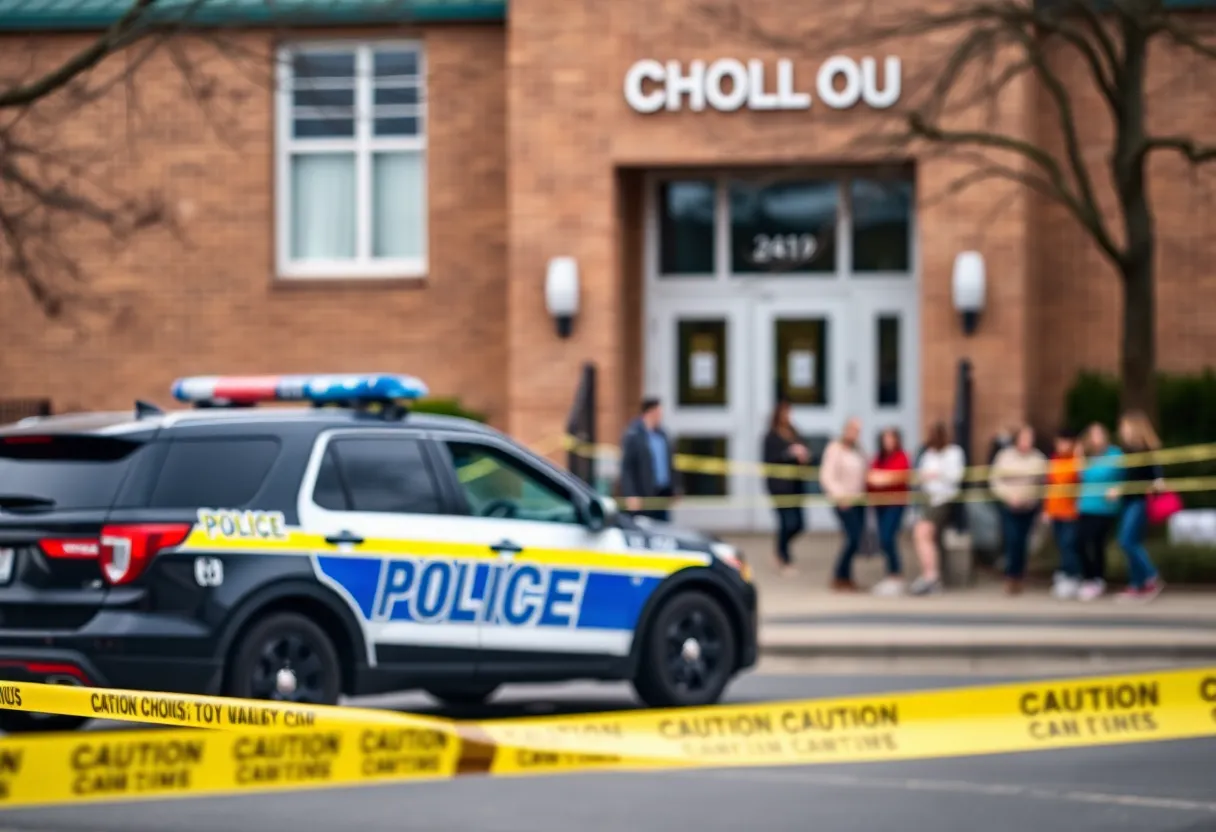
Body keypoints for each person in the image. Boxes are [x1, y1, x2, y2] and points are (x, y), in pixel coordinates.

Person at [1114, 411, 1167, 602]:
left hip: (1140, 501)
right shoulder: (1127, 452)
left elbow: (1158, 478)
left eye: (1125, 427)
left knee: (1127, 541)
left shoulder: (1147, 451)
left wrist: (1155, 485)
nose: (1122, 431)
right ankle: (1137, 584)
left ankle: (1150, 576)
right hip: (1128, 500)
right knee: (1132, 541)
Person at [990, 425, 1047, 595]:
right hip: (1009, 505)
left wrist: (1030, 498)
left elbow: (1043, 484)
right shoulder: (1005, 456)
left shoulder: (1038, 459)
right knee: (1012, 539)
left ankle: (1019, 575)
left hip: (1028, 506)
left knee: (1023, 542)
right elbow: (995, 480)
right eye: (1024, 438)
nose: (1026, 442)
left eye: (1030, 439)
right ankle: (1011, 576)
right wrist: (1009, 497)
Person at [909, 422, 965, 596]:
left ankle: (931, 576)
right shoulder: (928, 454)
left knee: (922, 532)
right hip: (928, 499)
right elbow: (919, 475)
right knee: (928, 537)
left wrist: (937, 474)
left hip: (943, 500)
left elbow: (956, 476)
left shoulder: (954, 452)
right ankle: (931, 574)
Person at [762, 398, 811, 575]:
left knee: (799, 524)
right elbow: (769, 460)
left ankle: (779, 550)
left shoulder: (794, 432)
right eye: (785, 412)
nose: (788, 416)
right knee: (786, 523)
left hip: (796, 486)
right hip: (780, 488)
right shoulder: (771, 436)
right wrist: (788, 454)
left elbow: (805, 449)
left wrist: (804, 455)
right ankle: (785, 558)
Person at [819, 417, 868, 592]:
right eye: (853, 429)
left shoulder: (859, 450)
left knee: (854, 539)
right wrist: (840, 496)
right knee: (852, 537)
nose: (856, 434)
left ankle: (847, 577)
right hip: (843, 501)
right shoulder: (835, 448)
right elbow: (826, 476)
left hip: (858, 500)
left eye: (858, 431)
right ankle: (839, 575)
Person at [1076, 422, 1123, 602]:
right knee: (1080, 543)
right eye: (1093, 435)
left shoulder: (1115, 454)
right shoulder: (1086, 456)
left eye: (1099, 434)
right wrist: (1079, 457)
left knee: (1097, 544)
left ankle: (1098, 579)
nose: (1097, 439)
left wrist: (1117, 489)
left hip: (1104, 508)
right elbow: (1081, 477)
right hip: (1086, 505)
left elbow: (1123, 477)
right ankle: (1088, 578)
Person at [866, 427, 911, 596]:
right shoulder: (879, 458)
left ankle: (896, 575)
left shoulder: (901, 456)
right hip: (880, 505)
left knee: (887, 537)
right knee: (884, 540)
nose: (888, 442)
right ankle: (890, 574)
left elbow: (897, 476)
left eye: (891, 438)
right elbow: (870, 478)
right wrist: (879, 479)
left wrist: (881, 478)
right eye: (885, 438)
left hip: (895, 503)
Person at [618, 398, 677, 522]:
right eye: (658, 412)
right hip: (643, 494)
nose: (660, 416)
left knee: (663, 527)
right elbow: (627, 467)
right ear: (650, 412)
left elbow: (671, 463)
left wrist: (675, 488)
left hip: (663, 493)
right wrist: (631, 494)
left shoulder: (663, 435)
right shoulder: (633, 435)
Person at [1044, 428, 1083, 600]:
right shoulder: (1054, 460)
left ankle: (1072, 575)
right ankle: (1065, 574)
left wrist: (1079, 455)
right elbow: (1050, 486)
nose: (1062, 445)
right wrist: (1046, 510)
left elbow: (1080, 480)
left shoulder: (1076, 461)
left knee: (1069, 545)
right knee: (1061, 545)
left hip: (1070, 511)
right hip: (1055, 510)